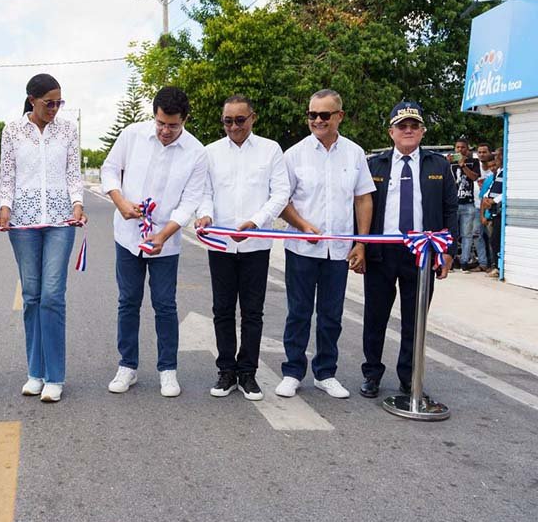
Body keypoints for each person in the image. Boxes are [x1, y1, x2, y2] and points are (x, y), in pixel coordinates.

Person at [100, 86, 207, 397]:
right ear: (154, 115)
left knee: (165, 304)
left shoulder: (196, 152)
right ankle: (127, 366)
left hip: (165, 241)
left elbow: (190, 201)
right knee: (128, 301)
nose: (165, 131)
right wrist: (120, 202)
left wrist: (163, 235)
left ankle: (168, 370)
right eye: (160, 123)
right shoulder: (132, 135)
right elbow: (109, 169)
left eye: (173, 125)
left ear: (185, 119)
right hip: (127, 235)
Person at [275, 89, 374, 399]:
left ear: (339, 116)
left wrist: (361, 243)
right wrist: (302, 225)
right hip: (302, 250)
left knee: (331, 315)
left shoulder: (355, 153)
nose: (317, 120)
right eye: (312, 114)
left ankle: (325, 373)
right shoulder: (294, 155)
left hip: (339, 250)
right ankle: (292, 372)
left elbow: (363, 199)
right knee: (298, 313)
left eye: (324, 114)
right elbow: (281, 201)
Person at [0, 74, 85, 403]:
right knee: (31, 295)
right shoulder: (12, 130)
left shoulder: (68, 130)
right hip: (23, 222)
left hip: (61, 220)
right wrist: (5, 207)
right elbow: (7, 175)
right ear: (32, 100)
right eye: (49, 103)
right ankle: (35, 372)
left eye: (59, 102)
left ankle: (55, 376)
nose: (55, 108)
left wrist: (77, 203)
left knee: (52, 295)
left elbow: (73, 173)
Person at [194, 95, 290, 401]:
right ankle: (226, 371)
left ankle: (248, 372)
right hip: (220, 243)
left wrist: (256, 221)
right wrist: (205, 214)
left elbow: (281, 193)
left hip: (255, 243)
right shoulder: (210, 152)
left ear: (253, 118)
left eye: (240, 120)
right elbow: (205, 192)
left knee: (252, 311)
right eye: (228, 121)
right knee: (222, 309)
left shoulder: (270, 149)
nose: (234, 127)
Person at [360, 101, 458, 397]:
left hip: (422, 254)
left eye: (414, 126)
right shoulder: (374, 165)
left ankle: (409, 378)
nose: (408, 130)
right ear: (391, 132)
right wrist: (359, 246)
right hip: (382, 251)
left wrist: (449, 251)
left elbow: (450, 209)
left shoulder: (438, 165)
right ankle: (372, 374)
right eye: (402, 126)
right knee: (375, 316)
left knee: (415, 320)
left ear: (422, 131)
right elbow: (361, 207)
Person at [449, 137, 488, 272]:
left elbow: (474, 177)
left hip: (468, 204)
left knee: (467, 235)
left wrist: (463, 165)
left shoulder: (473, 162)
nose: (460, 150)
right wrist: (447, 163)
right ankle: (451, 261)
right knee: (451, 234)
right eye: (458, 147)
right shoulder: (450, 162)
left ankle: (464, 262)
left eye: (463, 147)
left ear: (467, 149)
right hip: (453, 204)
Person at [481, 147, 504, 279]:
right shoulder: (497, 173)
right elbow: (490, 188)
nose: (495, 158)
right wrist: (486, 197)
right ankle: (496, 266)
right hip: (493, 211)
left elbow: (506, 190)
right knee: (494, 240)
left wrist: (494, 201)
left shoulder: (507, 172)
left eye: (497, 156)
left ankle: (498, 267)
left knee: (496, 240)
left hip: (500, 210)